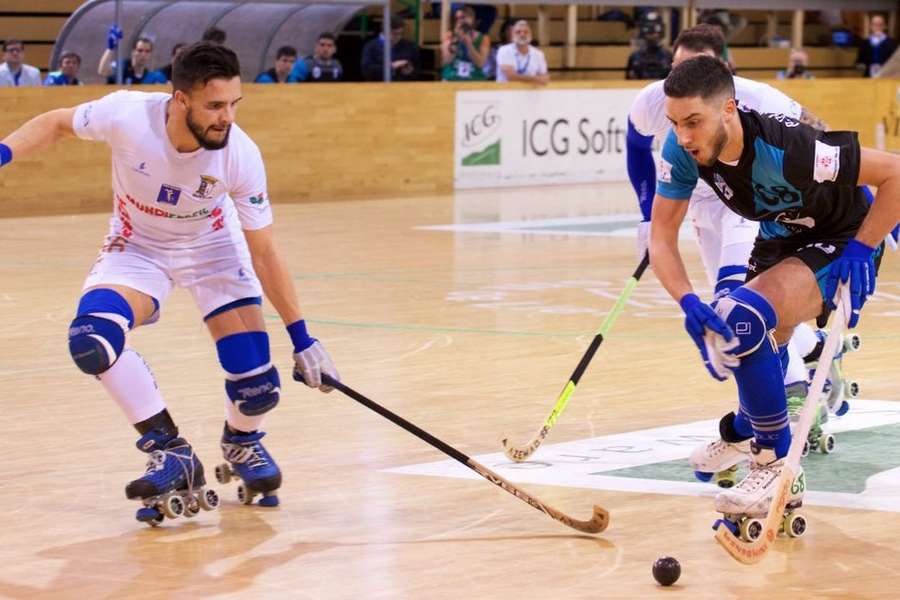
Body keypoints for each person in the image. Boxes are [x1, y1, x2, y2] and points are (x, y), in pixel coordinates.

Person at [0, 42, 339, 523]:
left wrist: (302, 338)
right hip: (137, 248)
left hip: (214, 249)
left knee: (258, 388)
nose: (227, 118)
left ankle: (242, 442)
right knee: (91, 341)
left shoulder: (240, 154)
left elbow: (264, 249)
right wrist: (2, 152)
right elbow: (56, 122)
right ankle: (170, 451)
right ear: (180, 99)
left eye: (233, 105)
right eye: (215, 106)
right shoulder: (126, 115)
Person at [650, 54, 898, 525]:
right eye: (675, 123)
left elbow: (896, 173)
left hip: (841, 239)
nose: (683, 136)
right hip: (783, 237)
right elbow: (661, 238)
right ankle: (743, 430)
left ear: (729, 110)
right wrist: (686, 299)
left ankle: (773, 464)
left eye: (693, 122)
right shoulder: (681, 150)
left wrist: (864, 247)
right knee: (740, 333)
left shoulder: (792, 148)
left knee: (742, 318)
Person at [627, 24, 838, 486]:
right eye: (678, 69)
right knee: (733, 316)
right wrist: (649, 216)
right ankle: (754, 421)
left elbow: (826, 137)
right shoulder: (663, 108)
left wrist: (872, 215)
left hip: (758, 205)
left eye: (696, 68)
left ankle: (775, 433)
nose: (685, 78)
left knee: (738, 311)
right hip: (703, 203)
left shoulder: (759, 102)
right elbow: (634, 142)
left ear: (724, 77)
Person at [99, 30, 167, 85]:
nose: (143, 54)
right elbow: (103, 71)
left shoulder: (148, 76)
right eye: (140, 50)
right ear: (133, 52)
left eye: (147, 51)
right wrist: (110, 48)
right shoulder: (122, 67)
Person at [441, 6, 490, 81]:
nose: (460, 21)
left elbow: (480, 63)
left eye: (463, 17)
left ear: (472, 19)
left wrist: (469, 45)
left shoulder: (483, 38)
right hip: (452, 76)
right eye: (457, 18)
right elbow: (447, 60)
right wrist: (456, 39)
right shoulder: (449, 36)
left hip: (474, 77)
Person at [495, 20, 548, 84]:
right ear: (512, 35)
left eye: (526, 32)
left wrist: (540, 79)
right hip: (507, 92)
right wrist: (536, 79)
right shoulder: (504, 50)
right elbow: (511, 77)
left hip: (531, 92)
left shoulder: (538, 53)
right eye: (518, 32)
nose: (522, 34)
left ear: (531, 35)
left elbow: (545, 77)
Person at [856, 13, 897, 77]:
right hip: (868, 76)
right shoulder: (865, 43)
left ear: (885, 26)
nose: (877, 27)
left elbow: (895, 61)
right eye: (875, 24)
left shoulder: (892, 43)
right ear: (871, 26)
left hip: (887, 75)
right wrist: (860, 65)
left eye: (880, 24)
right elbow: (860, 60)